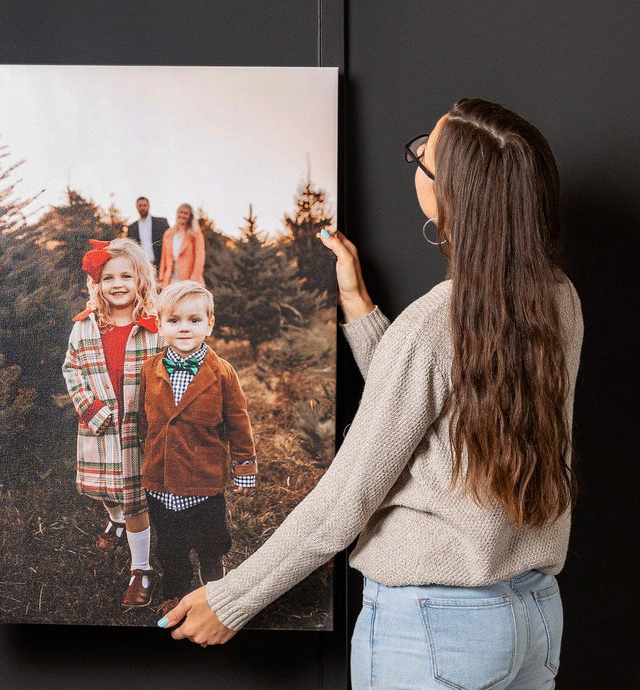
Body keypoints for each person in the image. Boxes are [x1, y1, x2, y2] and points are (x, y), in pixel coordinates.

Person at [159, 99, 584, 689]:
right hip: (534, 619)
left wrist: (232, 599)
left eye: (424, 159)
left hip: (434, 633)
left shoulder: (433, 326)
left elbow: (344, 501)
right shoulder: (556, 298)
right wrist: (359, 307)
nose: (415, 164)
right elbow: (448, 401)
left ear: (451, 197)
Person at [138, 281, 256, 616]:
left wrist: (244, 469)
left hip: (204, 481)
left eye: (194, 320)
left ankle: (213, 577)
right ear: (160, 325)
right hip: (160, 482)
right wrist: (147, 454)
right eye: (174, 320)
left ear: (209, 324)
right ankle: (175, 591)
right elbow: (144, 419)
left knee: (211, 538)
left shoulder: (222, 373)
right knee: (171, 548)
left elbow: (238, 423)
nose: (184, 328)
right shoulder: (150, 369)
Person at [62, 237, 163, 610]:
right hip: (100, 425)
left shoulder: (155, 327)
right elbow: (72, 369)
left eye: (126, 276)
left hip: (140, 429)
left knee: (135, 499)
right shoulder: (86, 326)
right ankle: (115, 521)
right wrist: (91, 409)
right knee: (106, 490)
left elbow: (167, 372)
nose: (117, 284)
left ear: (141, 280)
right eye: (108, 278)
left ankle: (141, 570)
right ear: (96, 284)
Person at [158, 203, 205, 287]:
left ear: (190, 216)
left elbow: (199, 259)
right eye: (181, 212)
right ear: (177, 213)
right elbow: (164, 258)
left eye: (186, 213)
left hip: (188, 279)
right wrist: (161, 277)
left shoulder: (195, 234)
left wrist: (193, 280)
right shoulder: (168, 233)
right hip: (170, 280)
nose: (182, 215)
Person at [127, 196, 169, 268]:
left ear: (149, 206)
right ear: (136, 207)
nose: (142, 208)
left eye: (144, 205)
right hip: (141, 265)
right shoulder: (132, 227)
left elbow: (169, 242)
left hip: (161, 265)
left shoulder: (161, 222)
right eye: (140, 205)